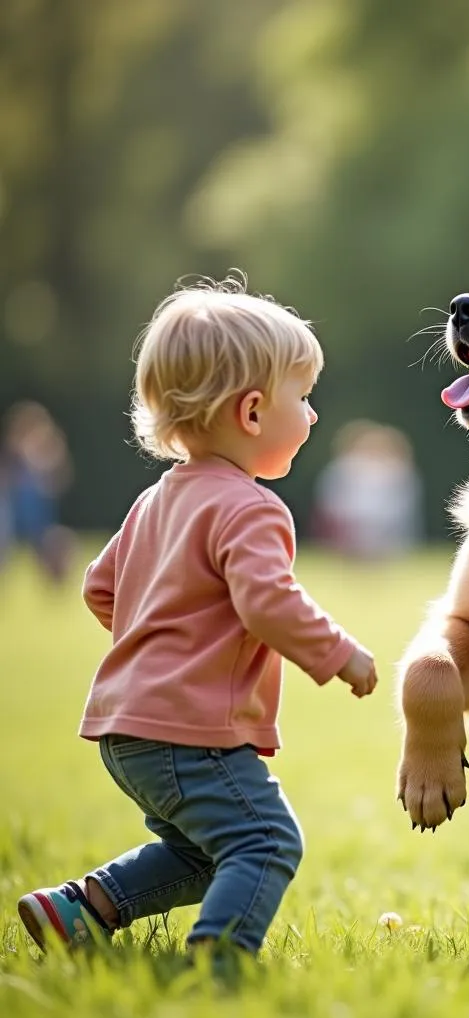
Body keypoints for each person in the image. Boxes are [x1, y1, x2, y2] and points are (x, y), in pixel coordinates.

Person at [17, 276, 378, 959]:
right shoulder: (251, 508)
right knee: (265, 842)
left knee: (206, 853)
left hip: (126, 729)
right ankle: (218, 957)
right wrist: (340, 655)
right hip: (191, 731)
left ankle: (79, 910)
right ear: (251, 413)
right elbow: (268, 603)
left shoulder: (157, 500)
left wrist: (156, 650)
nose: (313, 416)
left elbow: (101, 588)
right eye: (303, 399)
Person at [311, 420, 423, 559]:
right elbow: (331, 500)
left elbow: (401, 506)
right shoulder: (343, 469)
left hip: (386, 529)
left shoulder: (398, 472)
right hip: (350, 526)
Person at [0, 400, 75, 582]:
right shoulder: (14, 457)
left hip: (40, 518)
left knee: (57, 542)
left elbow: (61, 479)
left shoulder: (48, 455)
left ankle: (56, 580)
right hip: (16, 513)